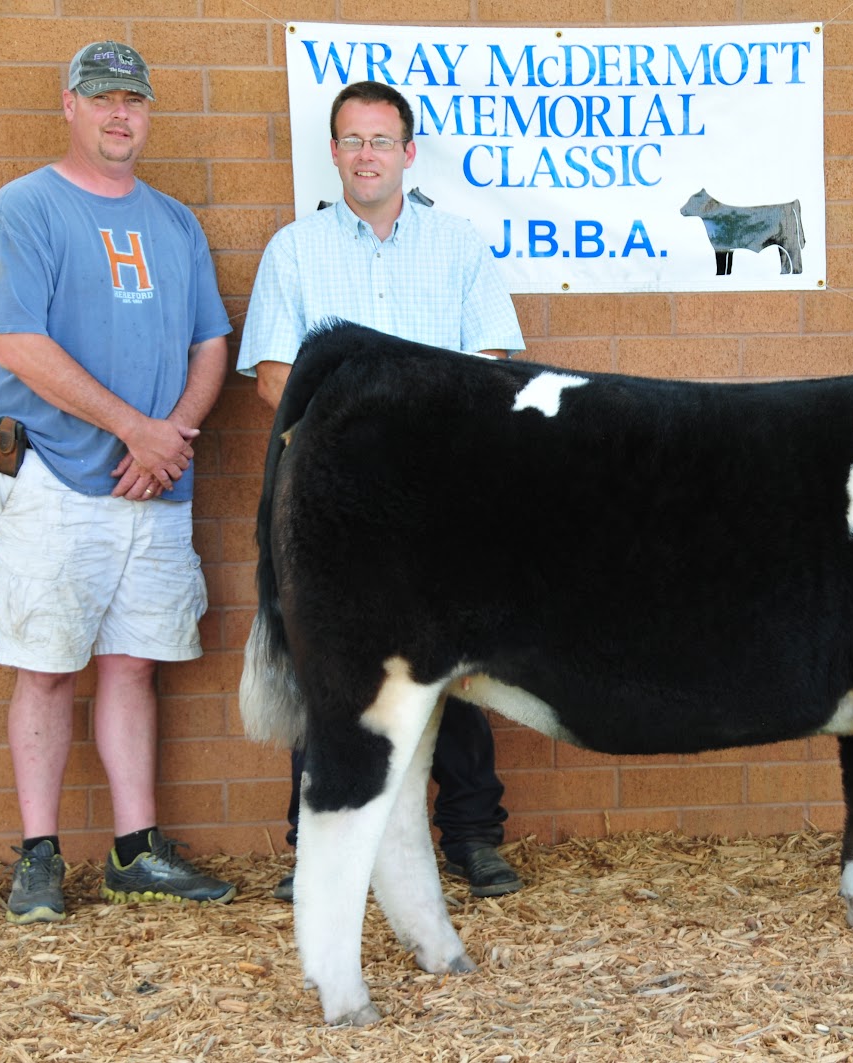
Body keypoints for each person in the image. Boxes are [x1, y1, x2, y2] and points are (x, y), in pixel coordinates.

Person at [0, 41, 236, 923]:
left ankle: (135, 850)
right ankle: (40, 857)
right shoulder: (27, 208)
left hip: (152, 485)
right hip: (52, 474)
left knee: (132, 665)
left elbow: (210, 343)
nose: (121, 113)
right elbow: (19, 344)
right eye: (103, 97)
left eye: (134, 99)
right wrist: (136, 428)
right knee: (46, 667)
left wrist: (172, 438)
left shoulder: (172, 222)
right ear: (70, 106)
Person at [238, 80, 526, 901]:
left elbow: (493, 364)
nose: (367, 155)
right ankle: (316, 844)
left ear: (407, 151)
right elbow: (273, 377)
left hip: (440, 498)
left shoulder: (458, 247)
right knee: (334, 668)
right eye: (352, 141)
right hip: (340, 504)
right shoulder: (295, 251)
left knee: (459, 663)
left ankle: (472, 833)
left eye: (381, 140)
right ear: (334, 153)